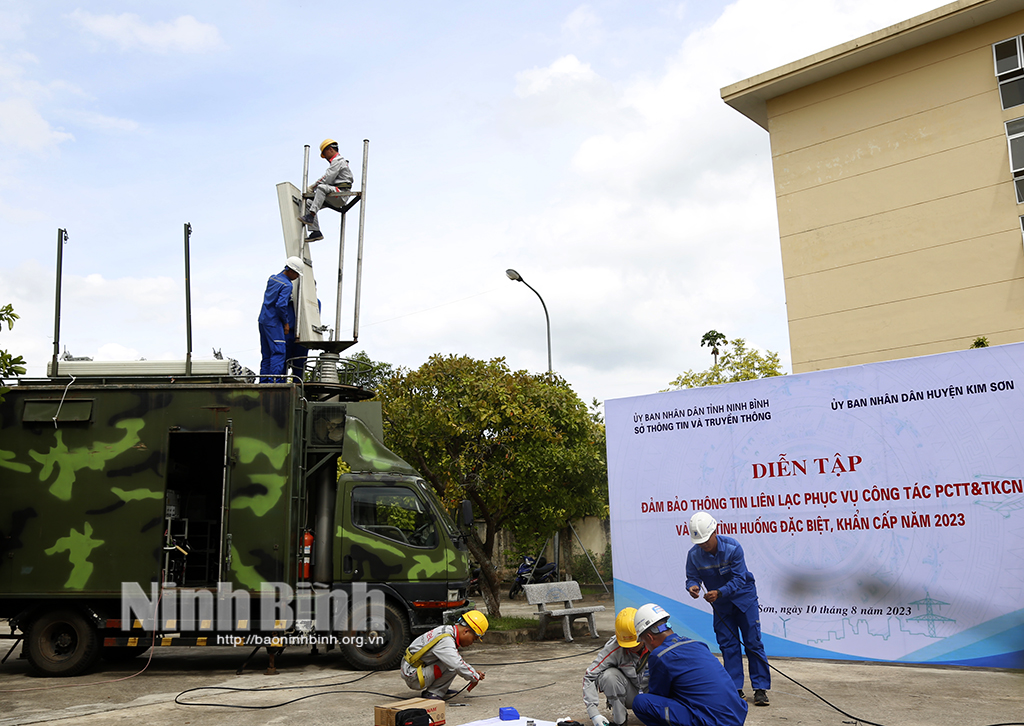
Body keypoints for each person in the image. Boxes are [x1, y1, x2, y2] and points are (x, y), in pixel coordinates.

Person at [685, 512, 770, 706]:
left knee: (753, 642)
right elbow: (691, 576)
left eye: (706, 540)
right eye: (699, 542)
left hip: (744, 600)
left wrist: (720, 592)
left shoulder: (733, 548)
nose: (703, 545)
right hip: (721, 606)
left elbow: (740, 578)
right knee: (728, 645)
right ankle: (735, 689)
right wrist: (693, 586)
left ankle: (760, 689)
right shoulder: (694, 555)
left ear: (715, 531)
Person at [631, 603, 747, 726]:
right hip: (735, 716)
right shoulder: (698, 644)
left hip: (713, 721)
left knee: (641, 703)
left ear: (649, 637)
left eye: (643, 641)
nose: (646, 647)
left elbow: (658, 696)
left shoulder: (660, 655)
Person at [400, 610, 487, 700]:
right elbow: (457, 664)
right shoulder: (445, 641)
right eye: (474, 639)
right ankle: (434, 692)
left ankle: (441, 688)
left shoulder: (447, 630)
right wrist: (474, 676)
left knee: (453, 660)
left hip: (412, 668)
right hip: (414, 676)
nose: (472, 643)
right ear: (466, 631)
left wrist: (472, 672)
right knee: (453, 664)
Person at [583, 607, 649, 726]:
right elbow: (590, 675)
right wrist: (594, 713)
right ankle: (620, 721)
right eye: (627, 644)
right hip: (631, 695)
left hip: (654, 695)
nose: (632, 647)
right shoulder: (614, 647)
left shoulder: (656, 643)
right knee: (609, 676)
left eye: (635, 642)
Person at [298, 138, 354, 242]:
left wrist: (313, 187)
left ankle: (311, 215)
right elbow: (327, 177)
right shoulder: (336, 163)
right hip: (333, 193)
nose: (325, 158)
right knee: (308, 203)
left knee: (321, 188)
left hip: (341, 193)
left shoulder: (338, 161)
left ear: (330, 150)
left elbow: (328, 179)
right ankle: (315, 232)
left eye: (325, 153)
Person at [258, 257, 303, 382]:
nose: (297, 277)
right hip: (274, 322)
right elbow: (280, 305)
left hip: (263, 320)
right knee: (278, 352)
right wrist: (286, 323)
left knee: (266, 354)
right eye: (297, 274)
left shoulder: (272, 278)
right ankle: (274, 383)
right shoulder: (287, 285)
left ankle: (264, 382)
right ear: (292, 271)